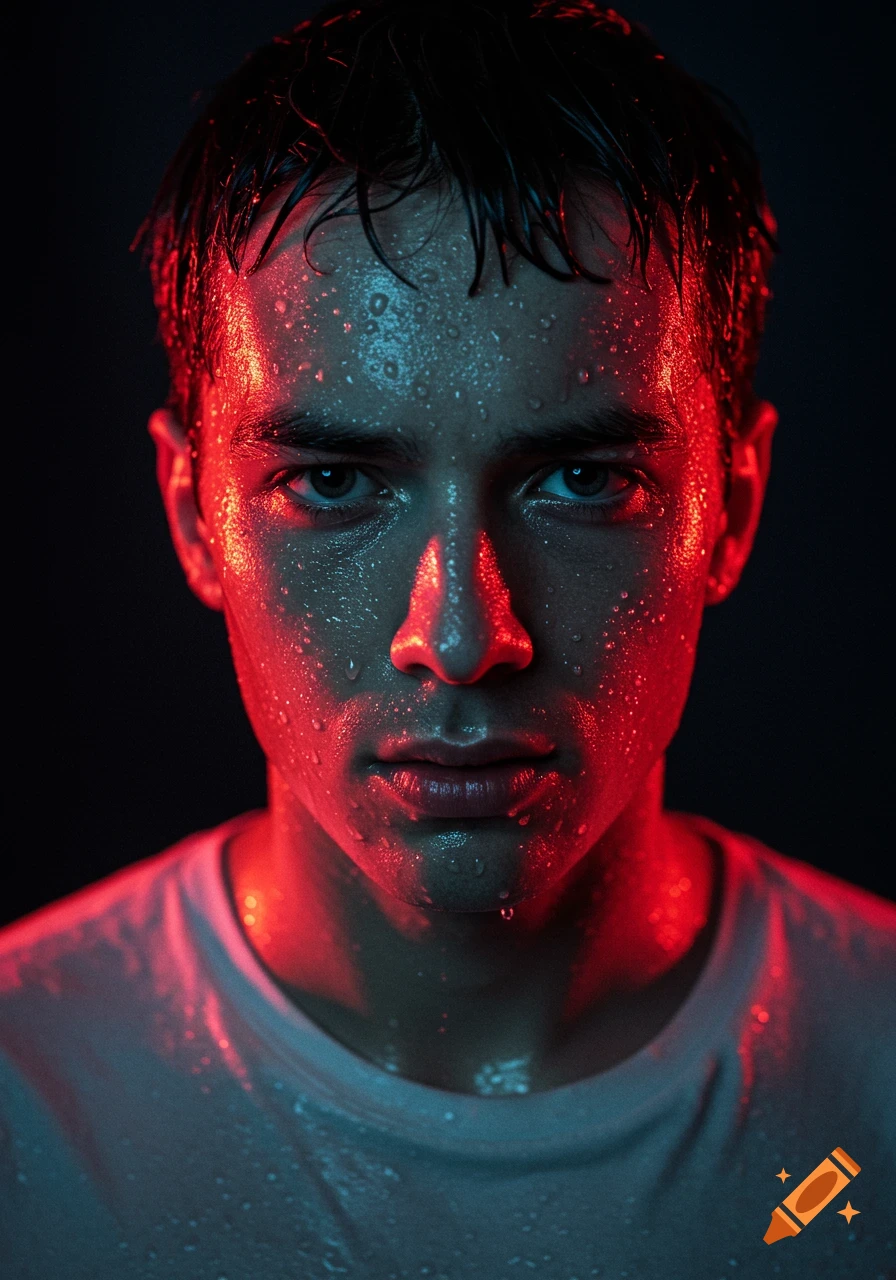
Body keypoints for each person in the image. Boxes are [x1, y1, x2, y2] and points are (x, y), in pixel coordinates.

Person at [2, 1, 894, 1277]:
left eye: (581, 482)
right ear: (193, 517)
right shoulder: (21, 1112)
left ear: (729, 507)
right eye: (331, 483)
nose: (463, 635)